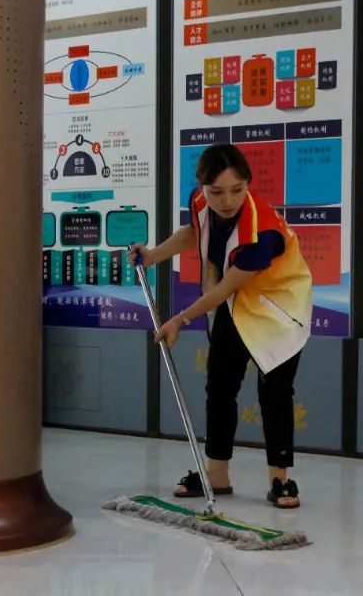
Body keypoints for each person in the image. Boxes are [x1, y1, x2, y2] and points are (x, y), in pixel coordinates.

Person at [128, 144, 313, 509]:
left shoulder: (262, 232)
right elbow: (194, 231)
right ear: (203, 187)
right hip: (237, 304)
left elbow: (225, 286)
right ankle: (217, 476)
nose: (227, 201)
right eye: (217, 192)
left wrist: (180, 319)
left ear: (248, 185)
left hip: (278, 309)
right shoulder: (201, 202)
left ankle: (280, 480)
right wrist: (153, 256)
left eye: (237, 190)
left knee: (275, 393)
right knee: (220, 387)